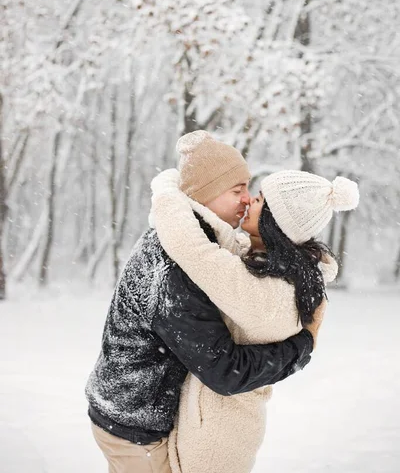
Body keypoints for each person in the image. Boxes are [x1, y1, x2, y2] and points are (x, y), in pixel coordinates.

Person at [85, 131, 320, 473]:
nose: (247, 199)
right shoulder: (176, 267)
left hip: (132, 414)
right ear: (207, 195)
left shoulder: (196, 241)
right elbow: (225, 370)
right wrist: (301, 346)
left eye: (248, 188)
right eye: (236, 190)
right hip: (134, 428)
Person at [150, 140, 359, 473]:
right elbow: (226, 245)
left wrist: (167, 190)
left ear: (276, 223)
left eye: (259, 199)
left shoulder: (266, 293)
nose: (249, 200)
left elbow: (193, 251)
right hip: (216, 421)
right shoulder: (277, 272)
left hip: (216, 438)